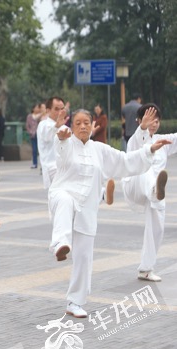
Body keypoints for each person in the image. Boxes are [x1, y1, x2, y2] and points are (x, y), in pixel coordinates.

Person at [48, 109, 170, 318]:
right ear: (72, 126)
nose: (83, 126)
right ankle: (60, 244)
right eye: (78, 123)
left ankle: (74, 302)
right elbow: (59, 151)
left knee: (85, 256)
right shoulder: (66, 142)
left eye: (87, 122)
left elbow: (124, 161)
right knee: (66, 201)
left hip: (87, 206)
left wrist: (149, 150)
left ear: (93, 124)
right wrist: (60, 134)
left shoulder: (100, 150)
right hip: (62, 196)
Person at [122, 104, 176, 282]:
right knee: (147, 170)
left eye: (156, 121)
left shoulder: (163, 140)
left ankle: (146, 269)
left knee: (157, 227)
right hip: (135, 186)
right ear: (139, 121)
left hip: (155, 194)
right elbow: (138, 146)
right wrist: (143, 128)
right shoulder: (135, 139)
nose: (153, 124)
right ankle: (154, 188)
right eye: (149, 120)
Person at [36, 96, 66, 188]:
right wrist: (56, 126)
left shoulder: (64, 127)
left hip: (65, 167)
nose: (60, 112)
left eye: (62, 109)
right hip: (52, 168)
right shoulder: (43, 125)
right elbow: (47, 136)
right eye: (56, 109)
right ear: (48, 110)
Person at [26, 104, 41, 168]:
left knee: (40, 149)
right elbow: (27, 125)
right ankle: (34, 163)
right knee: (34, 150)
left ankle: (42, 164)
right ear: (33, 109)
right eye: (36, 107)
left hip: (40, 134)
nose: (38, 109)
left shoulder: (41, 116)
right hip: (33, 135)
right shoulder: (30, 116)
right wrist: (30, 132)